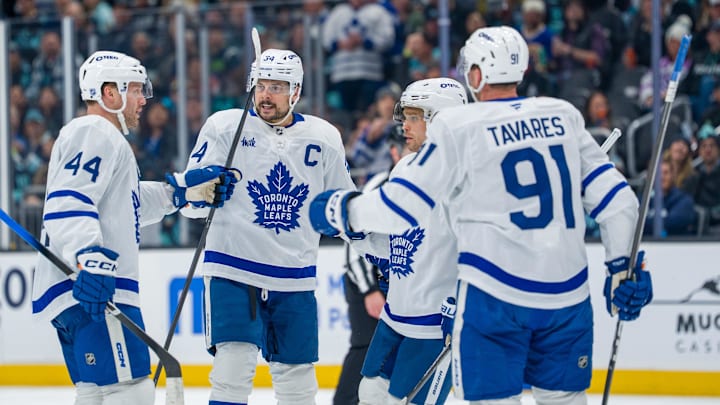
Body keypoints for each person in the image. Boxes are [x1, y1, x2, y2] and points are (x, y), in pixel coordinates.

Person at [310, 26, 654, 405]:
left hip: (494, 298)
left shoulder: (461, 129)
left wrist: (339, 209)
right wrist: (624, 268)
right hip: (564, 294)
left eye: (414, 116)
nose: (404, 126)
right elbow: (621, 203)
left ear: (476, 75)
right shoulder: (563, 115)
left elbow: (399, 208)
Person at [32, 50, 238, 405]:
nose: (144, 99)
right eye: (137, 90)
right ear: (109, 93)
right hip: (94, 288)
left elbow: (125, 205)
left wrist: (179, 192)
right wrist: (89, 258)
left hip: (77, 291)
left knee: (96, 392)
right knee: (131, 391)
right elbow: (69, 200)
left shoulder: (103, 139)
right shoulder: (95, 131)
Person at [180, 48, 357, 405]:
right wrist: (201, 194)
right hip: (233, 268)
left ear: (296, 91)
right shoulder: (225, 127)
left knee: (298, 380)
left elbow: (343, 206)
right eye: (260, 85)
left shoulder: (323, 138)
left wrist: (373, 241)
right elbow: (187, 201)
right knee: (233, 370)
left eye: (277, 86)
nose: (265, 94)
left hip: (295, 275)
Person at [354, 78, 467, 405]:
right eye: (405, 116)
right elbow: (397, 242)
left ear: (442, 119)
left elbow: (479, 248)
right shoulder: (404, 166)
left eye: (416, 116)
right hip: (395, 314)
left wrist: (460, 301)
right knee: (371, 394)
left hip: (434, 322)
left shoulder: (460, 177)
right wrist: (360, 235)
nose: (405, 124)